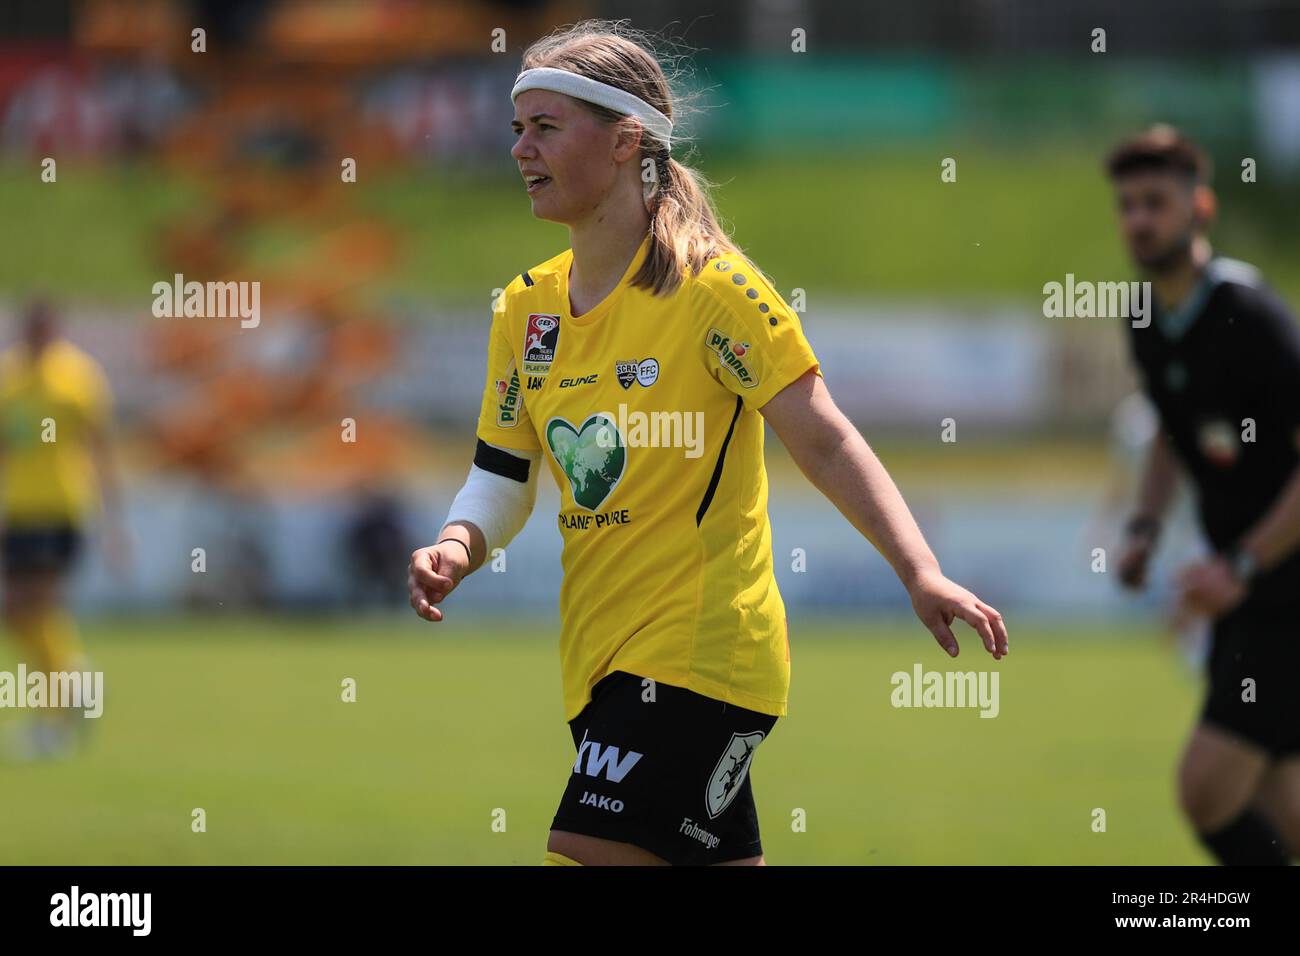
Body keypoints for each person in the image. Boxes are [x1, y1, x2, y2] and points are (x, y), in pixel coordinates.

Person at [408, 20, 1008, 866]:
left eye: (546, 127)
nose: (520, 149)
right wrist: (456, 544)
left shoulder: (714, 292)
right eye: (518, 128)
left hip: (701, 655)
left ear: (625, 142)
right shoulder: (525, 311)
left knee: (586, 846)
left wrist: (919, 569)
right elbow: (503, 473)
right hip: (598, 661)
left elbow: (825, 439)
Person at [1108, 125, 1300, 864]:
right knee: (1281, 809)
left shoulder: (1252, 318)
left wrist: (1242, 566)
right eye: (1127, 205)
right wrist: (1145, 530)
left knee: (1207, 790)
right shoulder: (1144, 318)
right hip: (1244, 596)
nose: (1140, 220)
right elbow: (1171, 432)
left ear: (1201, 209)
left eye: (1156, 202)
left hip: (1283, 592)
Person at [0, 300, 128, 759]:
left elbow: (101, 448)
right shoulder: (9, 378)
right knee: (19, 613)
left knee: (32, 604)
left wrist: (116, 522)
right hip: (19, 510)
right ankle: (75, 682)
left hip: (62, 507)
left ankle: (54, 719)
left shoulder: (76, 377)